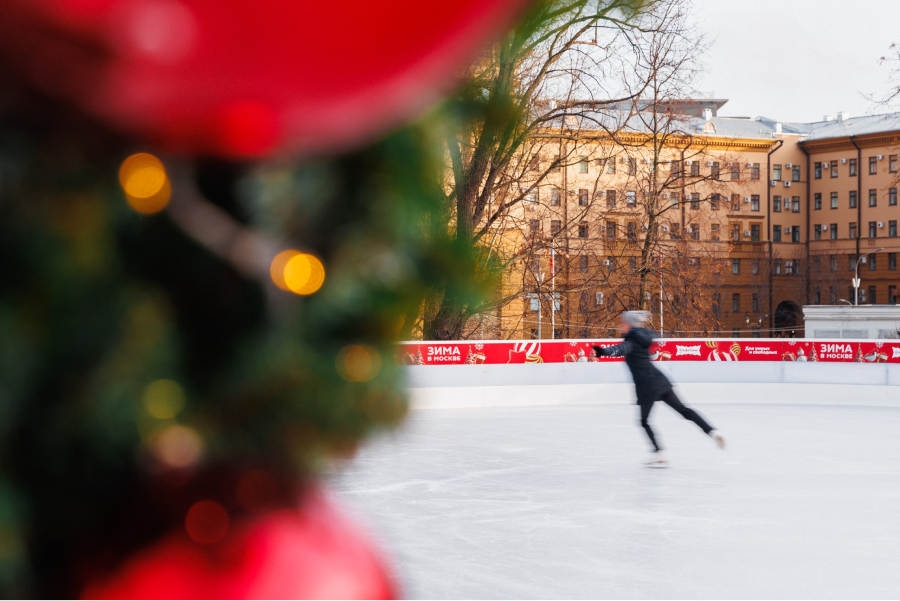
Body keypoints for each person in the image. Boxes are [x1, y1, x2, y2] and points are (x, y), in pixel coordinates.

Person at [593, 311, 724, 467]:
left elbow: (622, 348)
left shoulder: (632, 340)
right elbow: (648, 335)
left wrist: (604, 352)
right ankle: (713, 432)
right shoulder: (643, 335)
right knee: (684, 410)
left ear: (629, 324)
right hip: (661, 382)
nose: (620, 324)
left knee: (644, 421)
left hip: (647, 387)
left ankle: (658, 453)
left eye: (623, 322)